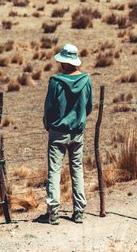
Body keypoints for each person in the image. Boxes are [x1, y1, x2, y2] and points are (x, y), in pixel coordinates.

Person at [37, 43, 93, 226]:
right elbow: (89, 106)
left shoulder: (55, 82)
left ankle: (53, 212)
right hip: (77, 133)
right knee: (77, 170)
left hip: (58, 132)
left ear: (63, 62)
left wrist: (49, 124)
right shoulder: (86, 80)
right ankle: (79, 211)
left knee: (54, 170)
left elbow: (48, 108)